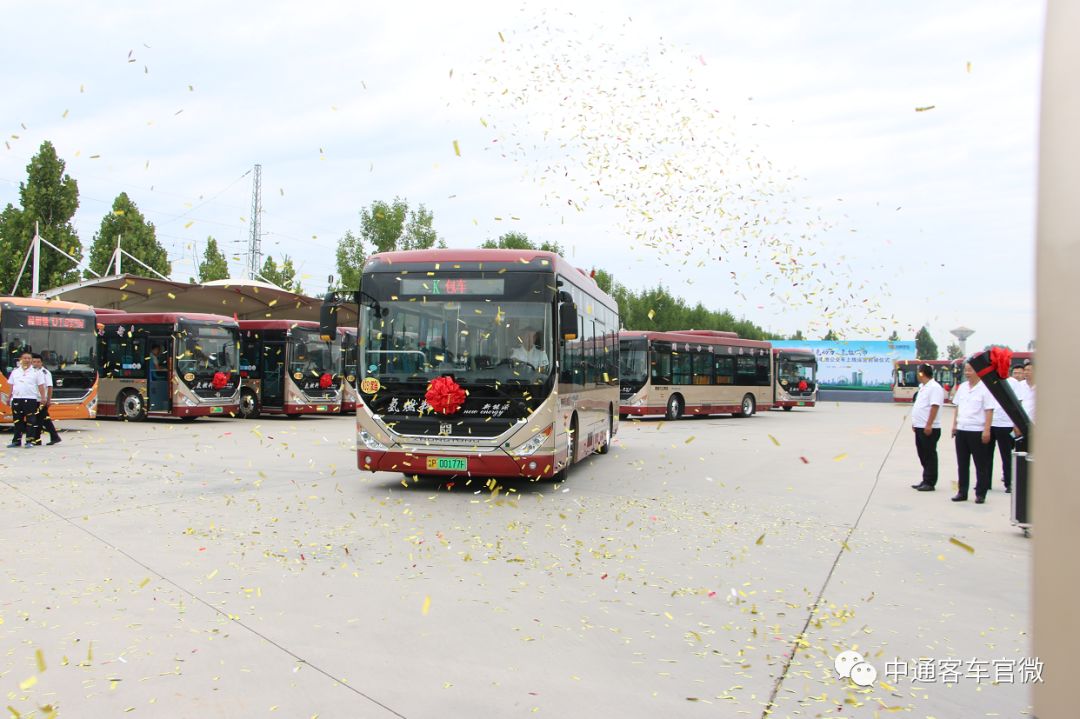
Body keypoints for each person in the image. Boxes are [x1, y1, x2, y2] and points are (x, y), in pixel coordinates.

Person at [951, 362, 995, 503]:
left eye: (970, 370)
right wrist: (954, 425)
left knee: (980, 464)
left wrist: (987, 430)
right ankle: (962, 492)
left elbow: (989, 410)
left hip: (977, 430)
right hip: (962, 430)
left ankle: (980, 493)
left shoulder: (985, 388)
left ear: (978, 372)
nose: (967, 373)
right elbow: (957, 407)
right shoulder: (963, 387)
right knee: (962, 463)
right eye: (966, 370)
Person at [910, 363, 945, 492]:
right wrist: (915, 423)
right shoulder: (923, 387)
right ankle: (925, 479)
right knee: (922, 454)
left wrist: (929, 424)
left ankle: (930, 482)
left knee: (929, 454)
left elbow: (934, 406)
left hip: (929, 427)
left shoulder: (934, 387)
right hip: (919, 426)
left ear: (922, 373)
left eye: (919, 372)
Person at [6, 350, 46, 448]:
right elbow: (11, 385)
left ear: (31, 360)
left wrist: (43, 397)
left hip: (30, 399)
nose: (27, 360)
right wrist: (9, 396)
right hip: (17, 399)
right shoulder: (15, 372)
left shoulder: (36, 372)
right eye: (24, 358)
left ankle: (30, 440)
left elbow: (41, 386)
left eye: (29, 358)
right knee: (17, 421)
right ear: (20, 360)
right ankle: (16, 441)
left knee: (31, 421)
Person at [31, 353, 62, 446]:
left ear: (42, 363)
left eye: (38, 362)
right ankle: (55, 437)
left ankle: (37, 439)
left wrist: (48, 400)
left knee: (39, 420)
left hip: (41, 400)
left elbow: (50, 387)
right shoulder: (31, 372)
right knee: (44, 419)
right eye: (34, 362)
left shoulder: (45, 372)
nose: (36, 363)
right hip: (33, 399)